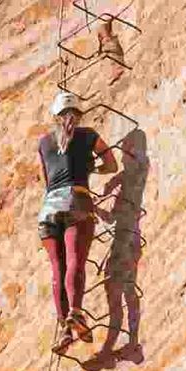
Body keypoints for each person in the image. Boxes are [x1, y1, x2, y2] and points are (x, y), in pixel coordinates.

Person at [37, 91, 119, 353]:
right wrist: (90, 169)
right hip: (77, 199)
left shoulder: (44, 143)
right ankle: (75, 312)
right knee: (76, 261)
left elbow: (47, 182)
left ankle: (64, 329)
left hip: (48, 209)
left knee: (57, 268)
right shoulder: (89, 135)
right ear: (79, 114)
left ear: (55, 117)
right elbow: (112, 164)